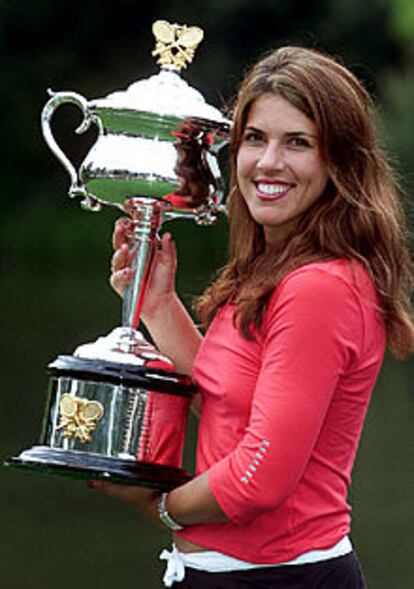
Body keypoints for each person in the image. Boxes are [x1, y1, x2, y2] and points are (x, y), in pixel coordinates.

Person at [88, 46, 414, 588]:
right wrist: (159, 306)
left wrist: (158, 505)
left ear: (340, 162)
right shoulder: (276, 267)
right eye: (256, 138)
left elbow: (258, 480)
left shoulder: (320, 287)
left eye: (299, 143)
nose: (268, 162)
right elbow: (229, 406)